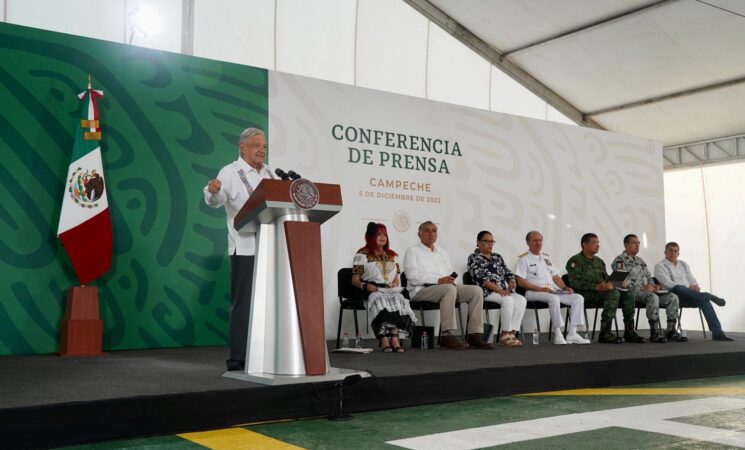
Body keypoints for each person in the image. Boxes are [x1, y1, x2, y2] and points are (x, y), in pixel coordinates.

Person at [204, 127, 274, 371]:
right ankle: (238, 358)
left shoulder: (271, 173)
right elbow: (217, 198)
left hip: (272, 249)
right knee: (244, 304)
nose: (262, 150)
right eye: (256, 145)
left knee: (270, 304)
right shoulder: (230, 171)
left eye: (264, 145)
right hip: (245, 248)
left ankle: (267, 355)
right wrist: (212, 191)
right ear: (242, 147)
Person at [403, 221, 493, 350]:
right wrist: (439, 280)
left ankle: (474, 334)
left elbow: (450, 273)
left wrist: (451, 280)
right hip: (421, 290)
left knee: (476, 290)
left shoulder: (443, 252)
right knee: (449, 289)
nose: (431, 233)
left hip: (446, 288)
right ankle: (447, 335)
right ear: (419, 234)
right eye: (427, 230)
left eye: (434, 231)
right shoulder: (412, 251)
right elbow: (412, 277)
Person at [566, 233, 645, 344]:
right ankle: (605, 333)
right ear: (584, 244)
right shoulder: (575, 261)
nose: (598, 245)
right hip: (584, 294)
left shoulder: (599, 261)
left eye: (598, 243)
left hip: (601, 292)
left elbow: (606, 278)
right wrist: (597, 287)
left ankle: (629, 331)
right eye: (594, 243)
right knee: (613, 293)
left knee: (628, 292)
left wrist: (618, 282)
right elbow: (574, 283)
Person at [515, 231, 590, 345]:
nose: (538, 243)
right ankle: (558, 333)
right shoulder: (523, 259)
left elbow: (555, 277)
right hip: (533, 292)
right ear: (528, 242)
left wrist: (565, 288)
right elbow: (520, 282)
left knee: (578, 298)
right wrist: (541, 289)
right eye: (535, 240)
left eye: (540, 240)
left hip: (551, 291)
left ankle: (572, 334)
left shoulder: (546, 258)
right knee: (554, 299)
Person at [352, 222, 417, 352]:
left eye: (385, 235)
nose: (383, 237)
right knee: (380, 300)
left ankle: (394, 336)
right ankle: (384, 338)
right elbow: (354, 280)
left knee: (398, 300)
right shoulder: (362, 254)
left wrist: (394, 283)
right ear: (371, 236)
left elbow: (396, 278)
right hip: (372, 290)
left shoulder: (392, 255)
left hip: (389, 289)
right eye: (378, 234)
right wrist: (365, 285)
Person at [611, 234, 687, 343]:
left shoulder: (640, 261)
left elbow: (648, 277)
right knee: (652, 297)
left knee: (673, 297)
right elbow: (619, 282)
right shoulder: (619, 261)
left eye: (638, 243)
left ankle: (671, 331)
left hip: (648, 292)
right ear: (626, 245)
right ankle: (654, 332)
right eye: (634, 243)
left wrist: (654, 285)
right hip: (632, 293)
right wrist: (641, 287)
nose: (637, 245)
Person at [653, 242, 733, 341]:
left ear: (678, 253)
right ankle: (709, 296)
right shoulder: (660, 266)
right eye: (670, 250)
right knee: (679, 287)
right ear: (665, 252)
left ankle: (718, 333)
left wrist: (695, 286)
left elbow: (691, 278)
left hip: (689, 295)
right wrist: (688, 288)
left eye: (675, 251)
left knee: (704, 302)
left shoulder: (683, 264)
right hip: (673, 297)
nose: (673, 253)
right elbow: (667, 283)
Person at [467, 231, 527, 347]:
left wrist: (512, 280)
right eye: (486, 241)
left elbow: (507, 271)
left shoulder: (497, 257)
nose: (490, 244)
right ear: (478, 243)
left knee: (521, 300)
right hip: (487, 292)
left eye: (492, 242)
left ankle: (512, 333)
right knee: (508, 300)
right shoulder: (474, 258)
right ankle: (505, 333)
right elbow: (482, 279)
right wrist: (499, 290)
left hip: (503, 291)